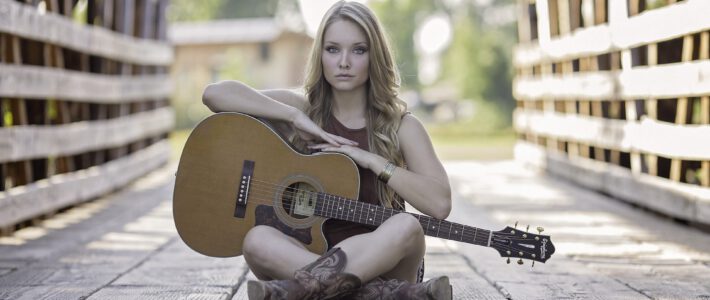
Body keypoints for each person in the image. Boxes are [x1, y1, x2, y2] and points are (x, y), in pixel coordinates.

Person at [202, 1, 452, 299]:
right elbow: (215, 95)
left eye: (358, 50)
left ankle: (308, 289)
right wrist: (293, 117)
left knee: (407, 226)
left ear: (375, 56)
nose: (344, 61)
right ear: (319, 55)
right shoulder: (303, 110)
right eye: (333, 49)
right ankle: (382, 295)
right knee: (256, 240)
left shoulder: (401, 126)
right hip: (309, 256)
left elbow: (440, 205)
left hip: (388, 265)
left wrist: (373, 161)